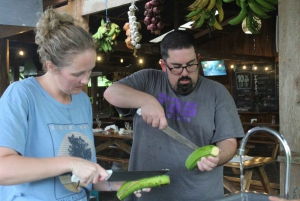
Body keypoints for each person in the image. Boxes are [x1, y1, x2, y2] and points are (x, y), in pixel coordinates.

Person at [0, 8, 146, 201]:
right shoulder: (22, 95)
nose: (85, 81)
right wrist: (69, 163)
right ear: (51, 66)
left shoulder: (82, 101)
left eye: (90, 71)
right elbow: (3, 169)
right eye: (77, 74)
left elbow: (85, 177)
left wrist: (120, 182)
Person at [103, 30, 245, 201]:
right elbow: (111, 93)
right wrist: (146, 100)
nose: (184, 73)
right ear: (164, 65)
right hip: (146, 195)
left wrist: (218, 156)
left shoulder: (217, 93)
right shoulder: (148, 80)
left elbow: (229, 141)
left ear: (198, 59)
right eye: (176, 67)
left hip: (200, 196)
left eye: (191, 65)